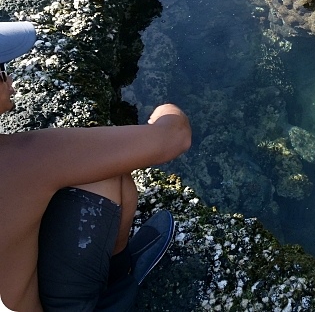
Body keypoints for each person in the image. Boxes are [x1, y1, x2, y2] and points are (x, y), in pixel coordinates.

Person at [0, 21, 192, 311]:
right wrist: (166, 110)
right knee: (104, 175)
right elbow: (174, 138)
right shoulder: (18, 159)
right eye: (2, 71)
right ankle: (115, 287)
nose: (11, 80)